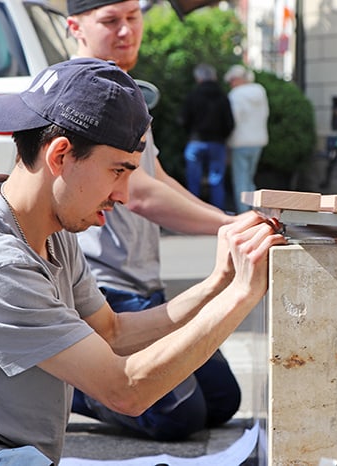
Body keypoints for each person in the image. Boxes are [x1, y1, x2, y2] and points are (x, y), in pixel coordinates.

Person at [0, 58, 285, 465]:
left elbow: (113, 331)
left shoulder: (48, 227)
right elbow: (126, 391)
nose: (123, 195)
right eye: (118, 171)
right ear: (60, 156)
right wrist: (245, 294)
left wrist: (219, 283)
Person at [66, 0, 246, 441]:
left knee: (222, 402)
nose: (126, 30)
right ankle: (70, 382)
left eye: (133, 17)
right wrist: (228, 225)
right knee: (178, 417)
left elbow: (156, 177)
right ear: (75, 27)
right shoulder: (82, 90)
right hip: (101, 290)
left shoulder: (124, 90)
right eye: (110, 21)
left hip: (146, 289)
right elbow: (140, 194)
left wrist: (230, 220)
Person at [179, 63, 235, 210]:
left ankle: (193, 212)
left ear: (198, 78)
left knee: (193, 180)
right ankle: (217, 213)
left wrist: (191, 133)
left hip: (196, 142)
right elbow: (230, 123)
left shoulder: (192, 95)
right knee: (217, 179)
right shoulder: (223, 96)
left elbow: (184, 120)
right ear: (214, 77)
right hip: (217, 143)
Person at [224, 64, 270, 214]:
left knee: (240, 180)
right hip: (258, 140)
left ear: (237, 79)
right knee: (249, 178)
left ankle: (244, 213)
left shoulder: (236, 94)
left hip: (240, 141)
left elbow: (233, 120)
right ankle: (255, 210)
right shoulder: (260, 91)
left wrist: (227, 141)